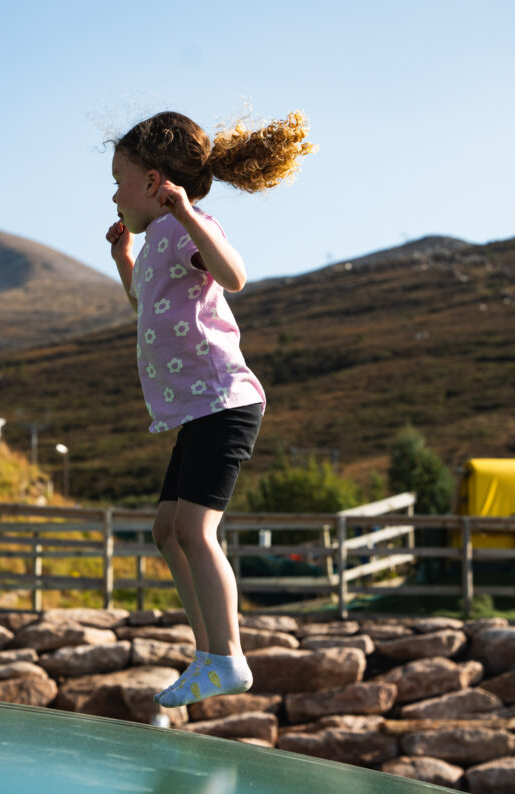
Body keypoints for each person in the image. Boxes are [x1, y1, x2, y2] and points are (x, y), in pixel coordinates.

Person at [104, 110, 314, 707]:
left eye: (119, 180)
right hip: (196, 411)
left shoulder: (186, 227)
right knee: (166, 530)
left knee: (195, 529)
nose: (114, 194)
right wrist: (124, 261)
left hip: (224, 402)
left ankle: (228, 656)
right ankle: (207, 654)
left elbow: (235, 275)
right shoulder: (154, 243)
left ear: (152, 181)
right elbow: (146, 302)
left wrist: (189, 214)